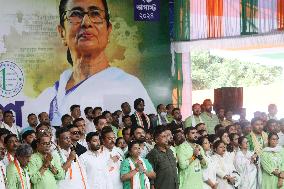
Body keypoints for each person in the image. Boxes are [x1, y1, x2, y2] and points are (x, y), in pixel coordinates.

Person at [34, 0, 155, 126]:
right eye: (75, 14)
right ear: (62, 32)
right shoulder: (49, 95)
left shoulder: (128, 85)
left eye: (95, 14)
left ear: (109, 30)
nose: (86, 23)